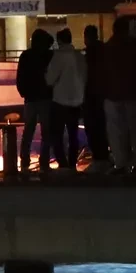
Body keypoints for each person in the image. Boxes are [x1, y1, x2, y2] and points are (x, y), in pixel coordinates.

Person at [104, 17, 136, 173]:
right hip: (134, 94)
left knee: (116, 132)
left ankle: (120, 163)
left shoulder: (108, 48)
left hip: (113, 95)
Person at [44, 28, 87, 170]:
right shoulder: (79, 56)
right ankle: (73, 163)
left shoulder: (58, 56)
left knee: (57, 135)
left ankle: (63, 163)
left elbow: (50, 80)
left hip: (60, 101)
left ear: (59, 40)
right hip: (77, 101)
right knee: (73, 134)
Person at [16, 29, 54, 174]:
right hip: (45, 97)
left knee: (28, 130)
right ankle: (44, 160)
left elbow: (20, 77)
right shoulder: (48, 55)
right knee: (46, 131)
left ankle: (24, 159)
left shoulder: (26, 56)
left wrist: (23, 92)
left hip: (30, 98)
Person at [82, 25, 110, 171]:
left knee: (93, 128)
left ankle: (99, 158)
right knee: (103, 126)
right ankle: (104, 156)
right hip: (105, 94)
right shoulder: (105, 51)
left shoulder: (88, 55)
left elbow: (84, 76)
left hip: (91, 95)